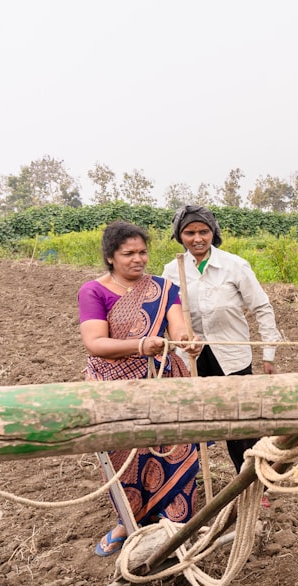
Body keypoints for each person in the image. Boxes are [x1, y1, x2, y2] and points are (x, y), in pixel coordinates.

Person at [78, 219, 203, 556]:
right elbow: (95, 343)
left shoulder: (164, 288)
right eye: (128, 253)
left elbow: (178, 330)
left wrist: (188, 342)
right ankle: (128, 522)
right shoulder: (94, 291)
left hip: (164, 383)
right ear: (110, 257)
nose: (138, 259)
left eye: (143, 252)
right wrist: (139, 345)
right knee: (126, 459)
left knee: (175, 451)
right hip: (115, 388)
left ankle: (177, 525)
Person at [162, 205, 284, 496]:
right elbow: (166, 312)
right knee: (191, 421)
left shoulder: (234, 266)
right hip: (189, 358)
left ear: (213, 233)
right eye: (189, 233)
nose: (197, 238)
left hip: (231, 356)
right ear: (180, 236)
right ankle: (186, 486)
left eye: (203, 231)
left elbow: (262, 308)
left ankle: (254, 487)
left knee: (241, 425)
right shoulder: (171, 270)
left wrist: (268, 353)